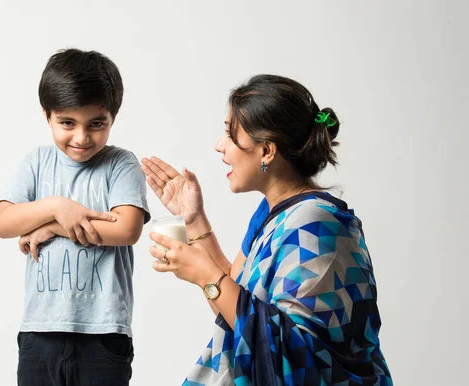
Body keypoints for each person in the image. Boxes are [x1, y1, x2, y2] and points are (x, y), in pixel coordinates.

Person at [142, 74, 392, 385]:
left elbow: (293, 356)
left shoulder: (317, 225)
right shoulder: (271, 214)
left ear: (267, 151)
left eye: (231, 136)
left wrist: (205, 275)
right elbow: (235, 306)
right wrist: (193, 220)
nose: (220, 146)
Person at [0, 48, 150, 386]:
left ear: (112, 118)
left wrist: (50, 226)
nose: (81, 137)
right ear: (47, 115)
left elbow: (126, 229)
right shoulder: (35, 162)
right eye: (67, 123)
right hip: (40, 331)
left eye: (96, 124)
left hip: (103, 333)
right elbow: (4, 223)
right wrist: (55, 207)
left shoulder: (121, 164)